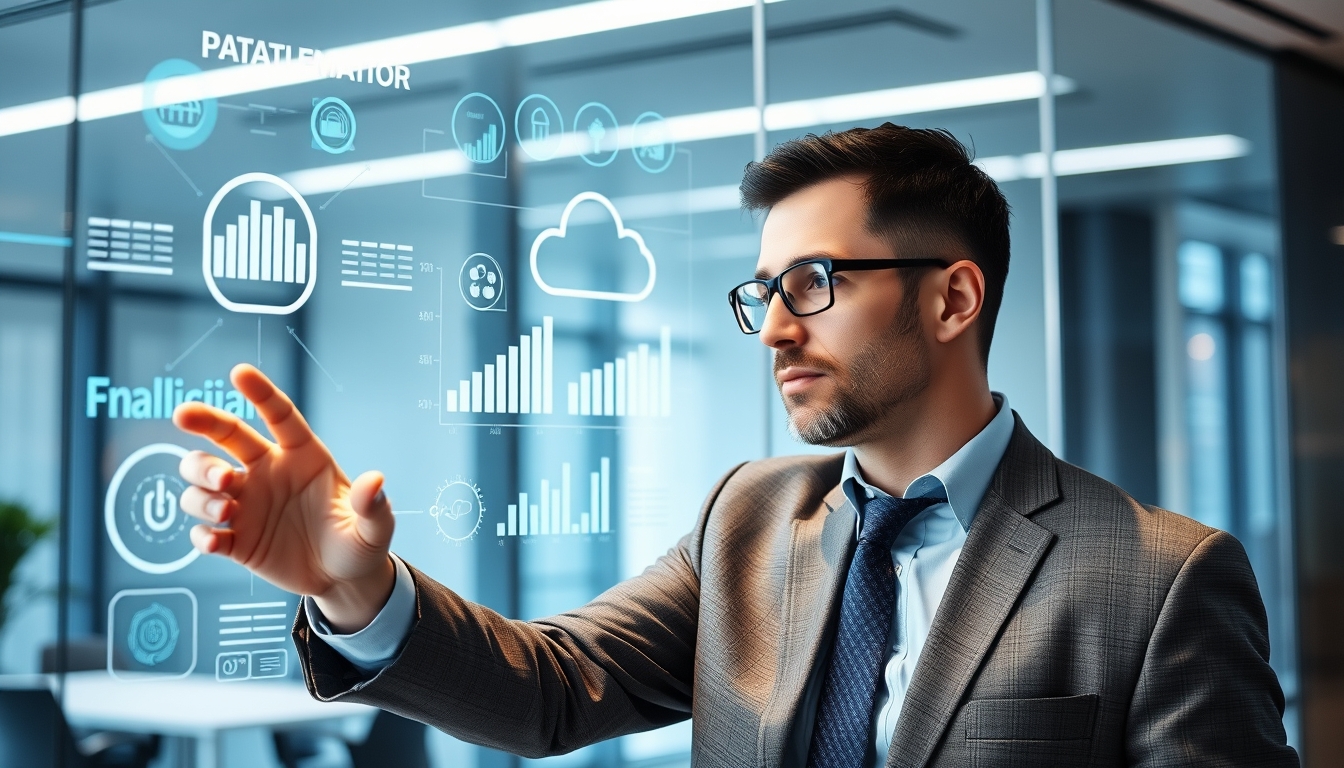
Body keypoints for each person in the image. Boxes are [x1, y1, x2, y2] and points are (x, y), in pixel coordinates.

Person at [174, 124, 1297, 767]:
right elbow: (551, 690)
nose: (771, 326)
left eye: (813, 283)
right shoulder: (750, 519)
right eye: (762, 290)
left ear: (954, 298)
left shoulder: (1158, 577)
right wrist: (360, 592)